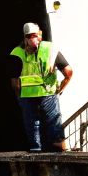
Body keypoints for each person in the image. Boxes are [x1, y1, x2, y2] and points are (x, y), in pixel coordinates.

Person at [12, 22, 73, 151]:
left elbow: (14, 83)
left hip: (27, 96)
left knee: (32, 126)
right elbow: (69, 72)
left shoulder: (16, 53)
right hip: (48, 94)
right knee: (54, 124)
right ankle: (59, 151)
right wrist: (60, 88)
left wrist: (19, 98)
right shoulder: (50, 49)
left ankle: (37, 151)